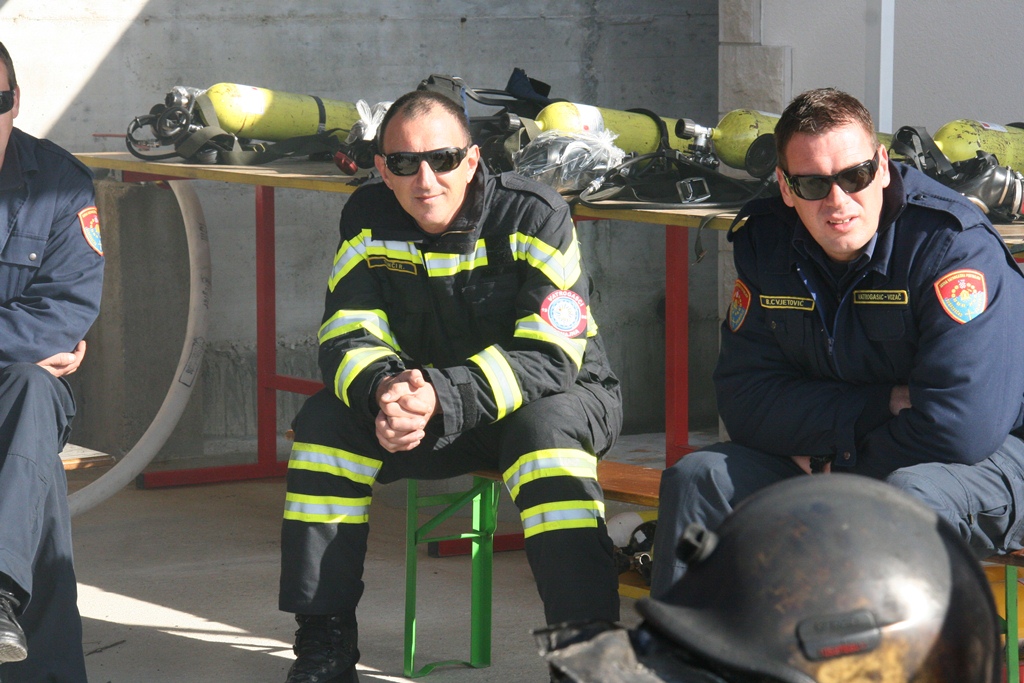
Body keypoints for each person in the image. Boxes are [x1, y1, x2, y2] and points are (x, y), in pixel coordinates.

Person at [278, 89, 623, 683]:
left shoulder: (534, 214)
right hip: (431, 409)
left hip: (555, 399)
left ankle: (587, 659)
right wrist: (386, 391)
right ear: (383, 168)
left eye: (442, 159)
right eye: (405, 163)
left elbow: (550, 354)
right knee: (324, 427)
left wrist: (438, 394)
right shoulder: (366, 216)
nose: (425, 179)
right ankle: (324, 646)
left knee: (545, 442)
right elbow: (346, 331)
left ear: (471, 159)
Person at [649, 87, 1024, 596]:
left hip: (991, 457)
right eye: (813, 183)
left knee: (903, 498)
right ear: (786, 187)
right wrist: (877, 405)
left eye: (855, 176)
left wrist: (837, 466)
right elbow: (744, 399)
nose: (838, 201)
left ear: (882, 167)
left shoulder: (950, 245)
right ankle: (690, 643)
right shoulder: (766, 241)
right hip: (844, 447)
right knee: (699, 477)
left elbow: (962, 427)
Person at [540, 475, 1001, 683]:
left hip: (928, 464)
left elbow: (960, 416)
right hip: (818, 452)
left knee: (910, 487)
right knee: (698, 474)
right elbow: (746, 393)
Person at [0, 42, 105, 682]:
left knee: (30, 394)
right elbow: (35, 335)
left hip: (17, 390)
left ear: (15, 101)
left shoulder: (60, 183)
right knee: (29, 457)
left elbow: (62, 313)